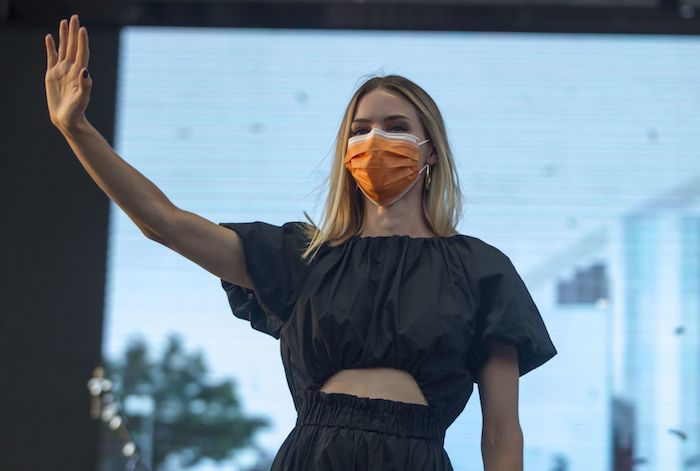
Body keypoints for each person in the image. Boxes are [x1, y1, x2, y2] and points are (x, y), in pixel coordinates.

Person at [45, 14, 558, 471]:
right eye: (360, 130)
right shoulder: (304, 256)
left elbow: (501, 431)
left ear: (430, 153)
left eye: (396, 127)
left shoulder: (480, 270)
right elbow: (164, 223)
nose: (374, 140)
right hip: (313, 454)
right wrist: (77, 129)